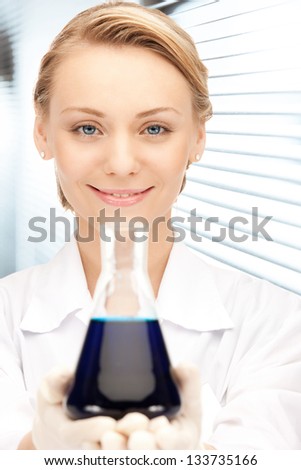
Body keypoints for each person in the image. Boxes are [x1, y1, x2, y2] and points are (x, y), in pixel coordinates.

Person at [0, 0, 300, 451]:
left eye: (155, 129)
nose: (121, 164)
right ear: (42, 132)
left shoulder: (277, 324)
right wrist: (34, 449)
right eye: (86, 128)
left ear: (198, 136)